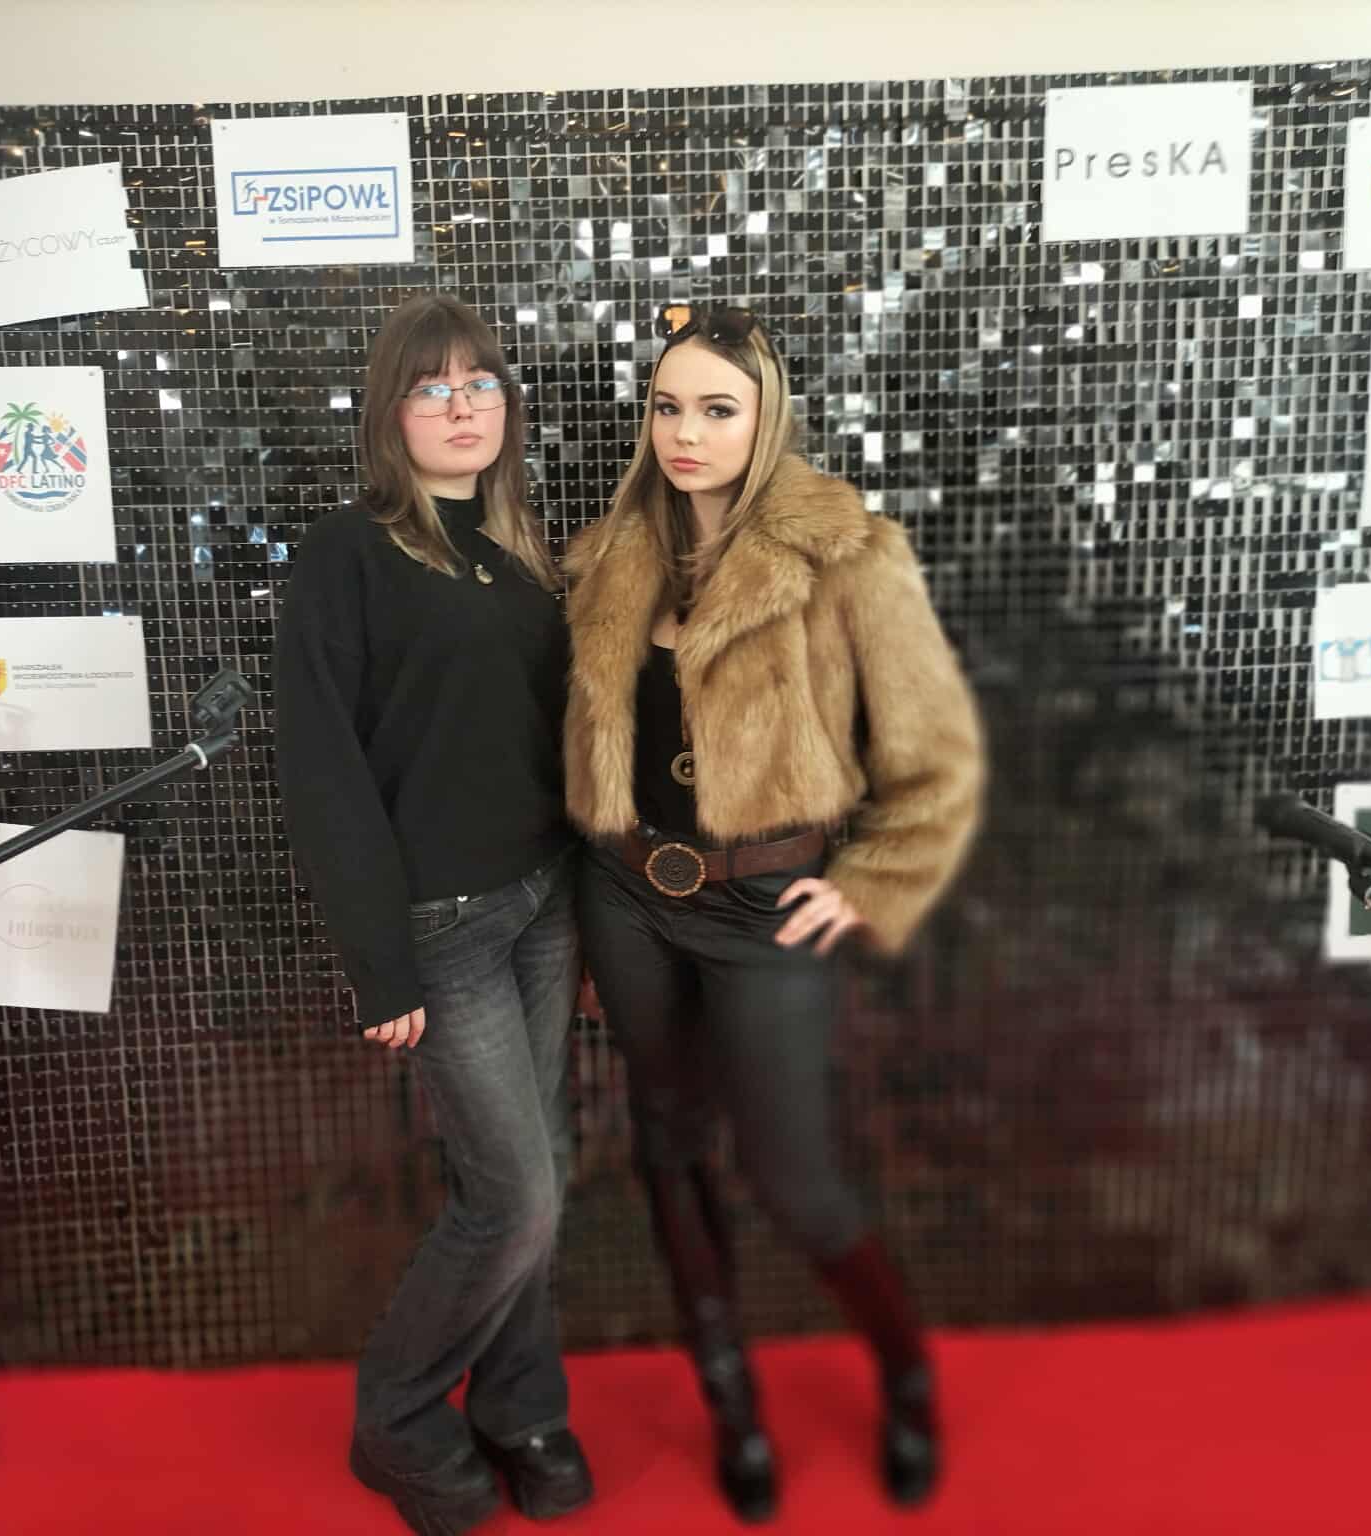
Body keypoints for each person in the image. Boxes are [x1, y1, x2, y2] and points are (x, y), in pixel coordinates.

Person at [563, 304, 985, 1521]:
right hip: (625, 896)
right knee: (665, 1145)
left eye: (715, 409)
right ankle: (728, 1400)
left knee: (794, 1181)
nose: (684, 432)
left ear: (766, 420)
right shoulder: (610, 556)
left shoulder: (847, 555)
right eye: (666, 406)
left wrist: (867, 883)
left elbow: (936, 756)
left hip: (761, 912)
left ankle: (904, 1373)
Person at [275, 292, 592, 1536]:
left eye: (480, 384)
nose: (462, 408)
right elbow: (321, 766)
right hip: (442, 925)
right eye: (432, 387)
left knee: (539, 1171)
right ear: (389, 413)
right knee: (511, 1196)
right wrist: (380, 962)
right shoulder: (347, 553)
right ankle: (398, 1422)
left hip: (543, 903)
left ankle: (521, 1410)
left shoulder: (524, 556)